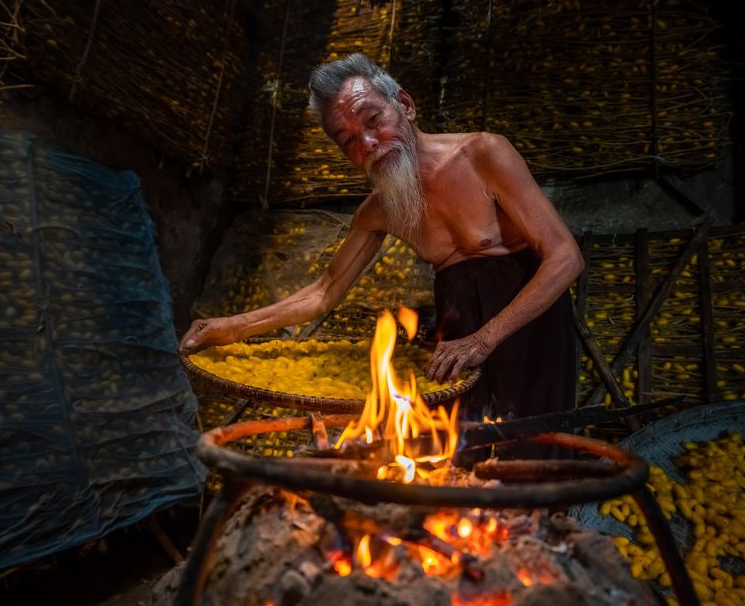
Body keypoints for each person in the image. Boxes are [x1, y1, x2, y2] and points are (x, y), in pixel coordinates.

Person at [181, 53, 584, 424]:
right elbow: (323, 293)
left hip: (530, 327)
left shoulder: (484, 154)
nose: (369, 144)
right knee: (464, 461)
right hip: (456, 335)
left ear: (405, 105)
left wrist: (484, 339)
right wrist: (230, 327)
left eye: (373, 120)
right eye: (350, 140)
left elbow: (565, 256)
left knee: (535, 456)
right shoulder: (379, 211)